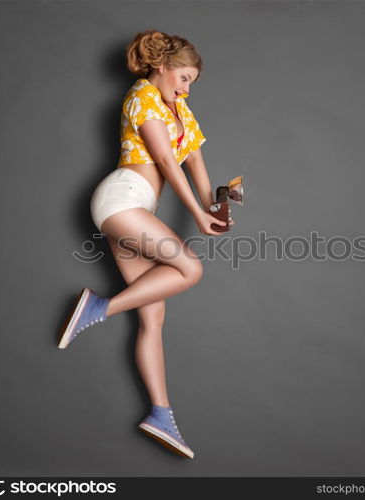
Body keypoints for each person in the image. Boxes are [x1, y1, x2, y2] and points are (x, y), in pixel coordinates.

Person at [58, 29, 233, 460]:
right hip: (121, 198)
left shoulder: (181, 109)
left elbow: (195, 162)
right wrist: (196, 215)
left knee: (153, 318)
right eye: (184, 76)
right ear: (162, 67)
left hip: (140, 210)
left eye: (193, 80)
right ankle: (98, 308)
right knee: (190, 270)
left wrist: (216, 204)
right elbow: (168, 163)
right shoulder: (142, 96)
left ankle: (160, 413)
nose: (187, 86)